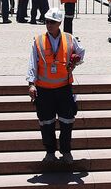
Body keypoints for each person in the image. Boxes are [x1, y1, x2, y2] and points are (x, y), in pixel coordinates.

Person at [27, 9, 85, 163]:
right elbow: (32, 63)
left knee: (67, 121)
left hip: (64, 88)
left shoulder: (69, 38)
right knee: (46, 123)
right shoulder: (38, 41)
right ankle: (50, 152)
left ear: (60, 23)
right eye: (46, 21)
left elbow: (81, 53)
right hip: (44, 90)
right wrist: (31, 84)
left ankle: (66, 151)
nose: (49, 24)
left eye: (52, 22)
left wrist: (76, 61)